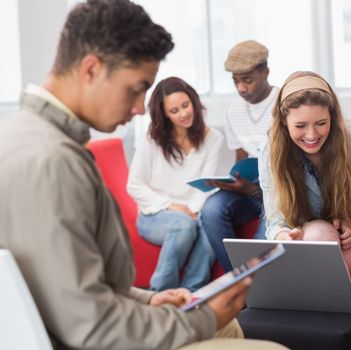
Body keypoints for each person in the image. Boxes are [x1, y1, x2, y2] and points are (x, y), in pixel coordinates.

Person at [0, 1, 286, 349]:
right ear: (91, 69)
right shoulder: (54, 161)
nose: (139, 108)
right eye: (136, 89)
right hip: (98, 338)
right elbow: (90, 327)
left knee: (230, 329)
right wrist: (203, 317)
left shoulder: (20, 133)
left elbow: (67, 287)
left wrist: (147, 300)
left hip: (99, 321)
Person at [260, 71, 351, 278]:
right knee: (317, 237)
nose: (311, 135)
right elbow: (275, 222)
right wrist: (286, 237)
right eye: (300, 126)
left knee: (316, 271)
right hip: (314, 234)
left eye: (321, 123)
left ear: (332, 116)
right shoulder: (270, 154)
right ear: (284, 121)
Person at [127, 77, 220, 292]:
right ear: (165, 114)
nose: (183, 114)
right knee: (183, 224)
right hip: (155, 215)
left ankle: (191, 295)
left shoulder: (213, 138)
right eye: (174, 111)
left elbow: (205, 184)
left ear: (194, 102)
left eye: (186, 106)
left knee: (210, 227)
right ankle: (160, 295)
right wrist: (172, 206)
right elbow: (134, 185)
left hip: (194, 213)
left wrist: (194, 211)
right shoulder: (152, 140)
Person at [199, 40, 278, 272]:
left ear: (265, 72)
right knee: (211, 209)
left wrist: (256, 190)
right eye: (236, 81)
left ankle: (252, 286)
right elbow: (241, 160)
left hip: (278, 193)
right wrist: (233, 183)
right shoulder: (233, 109)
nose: (241, 88)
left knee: (261, 241)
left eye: (247, 80)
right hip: (249, 191)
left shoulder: (284, 102)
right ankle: (239, 281)